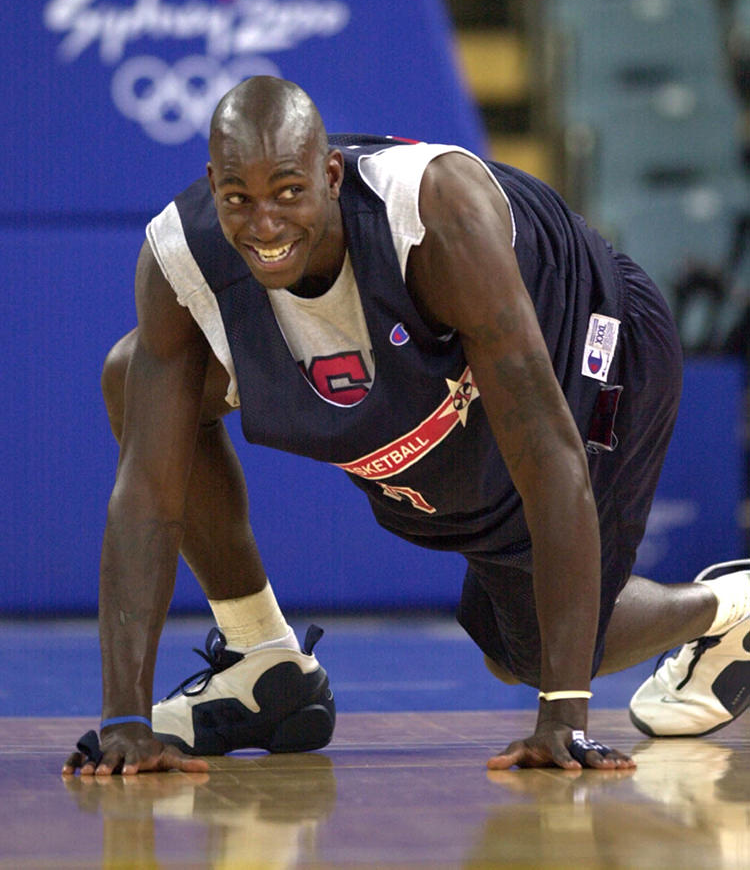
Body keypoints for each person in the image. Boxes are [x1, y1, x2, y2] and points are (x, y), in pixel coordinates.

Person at [63, 76, 750, 777]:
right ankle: (260, 660)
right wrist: (124, 721)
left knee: (533, 652)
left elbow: (548, 451)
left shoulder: (432, 216)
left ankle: (730, 605)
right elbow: (144, 499)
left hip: (591, 340)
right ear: (213, 185)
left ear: (331, 174)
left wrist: (565, 716)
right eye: (239, 198)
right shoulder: (181, 258)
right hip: (439, 392)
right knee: (135, 375)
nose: (265, 224)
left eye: (289, 193)